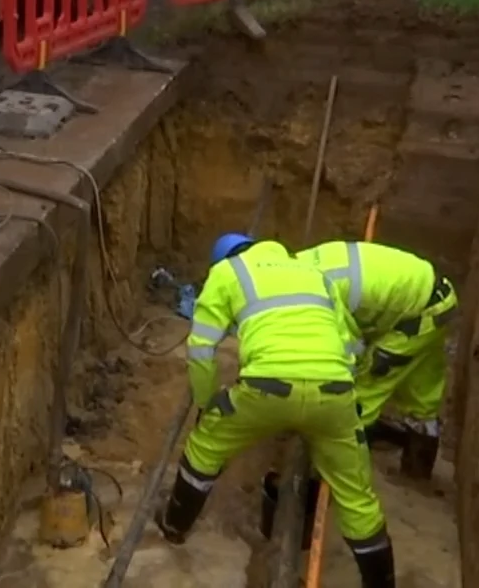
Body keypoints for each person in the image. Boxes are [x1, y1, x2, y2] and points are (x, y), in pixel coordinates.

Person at [163, 232, 396, 588]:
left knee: (205, 446)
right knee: (357, 496)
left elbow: (201, 347)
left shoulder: (228, 274)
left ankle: (175, 525)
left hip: (265, 389)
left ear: (224, 259)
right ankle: (381, 583)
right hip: (334, 393)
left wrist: (208, 400)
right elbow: (351, 341)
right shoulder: (310, 272)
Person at [296, 238, 458, 480]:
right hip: (431, 296)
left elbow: (349, 350)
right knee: (421, 392)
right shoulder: (300, 263)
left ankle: (343, 462)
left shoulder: (310, 293)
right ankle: (418, 468)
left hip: (419, 313)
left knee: (367, 384)